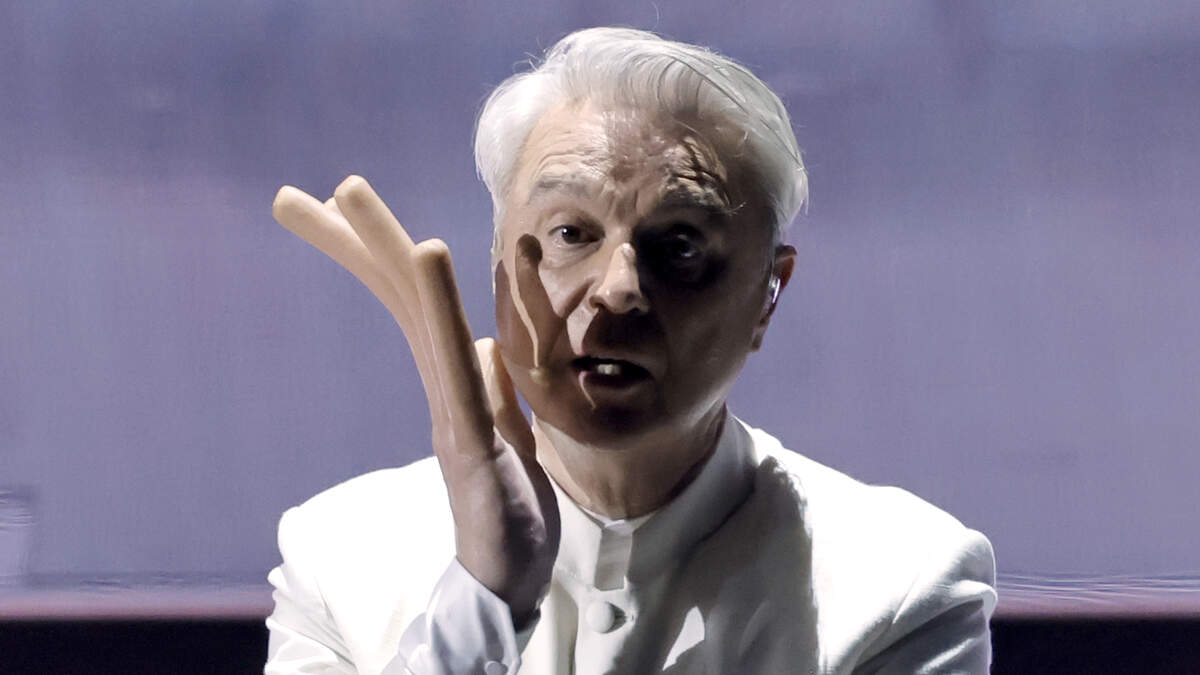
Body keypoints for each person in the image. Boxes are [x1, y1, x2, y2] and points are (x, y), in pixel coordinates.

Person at [264, 27, 996, 675]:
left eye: (679, 245)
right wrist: (484, 598)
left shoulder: (902, 586)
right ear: (497, 269)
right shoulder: (341, 557)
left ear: (769, 294)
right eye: (569, 234)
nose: (618, 290)